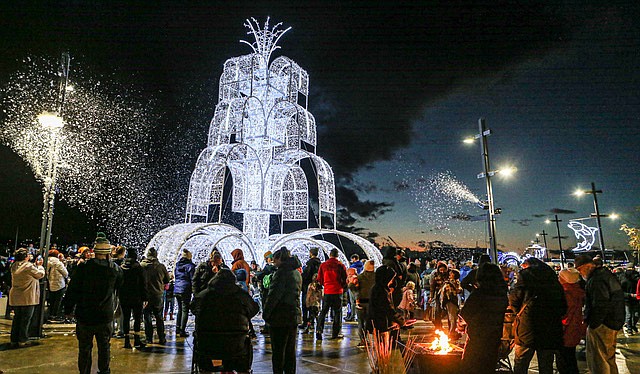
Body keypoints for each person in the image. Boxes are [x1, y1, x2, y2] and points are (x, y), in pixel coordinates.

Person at [64, 233, 123, 374]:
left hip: (85, 315)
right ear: (108, 252)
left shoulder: (83, 268)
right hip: (105, 316)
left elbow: (73, 290)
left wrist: (68, 309)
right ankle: (104, 371)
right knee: (104, 347)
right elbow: (120, 289)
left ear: (95, 252)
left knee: (84, 348)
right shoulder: (115, 270)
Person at [191, 268, 259, 372]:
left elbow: (193, 308)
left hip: (207, 344)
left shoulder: (204, 295)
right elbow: (254, 309)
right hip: (236, 344)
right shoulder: (241, 295)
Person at [509, 257, 567, 374]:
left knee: (521, 362)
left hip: (528, 325)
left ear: (527, 266)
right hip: (550, 327)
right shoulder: (553, 280)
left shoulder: (524, 277)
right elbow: (563, 307)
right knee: (546, 364)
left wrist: (520, 314)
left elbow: (514, 300)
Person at [574, 254, 625, 374]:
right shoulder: (605, 275)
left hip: (603, 324)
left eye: (579, 269)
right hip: (613, 321)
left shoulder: (596, 280)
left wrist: (593, 324)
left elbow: (600, 304)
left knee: (599, 360)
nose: (580, 273)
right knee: (609, 357)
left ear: (587, 267)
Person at [459, 263, 508, 374]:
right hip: (494, 337)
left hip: (477, 337)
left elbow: (465, 313)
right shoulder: (502, 294)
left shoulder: (479, 293)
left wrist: (463, 324)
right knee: (488, 366)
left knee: (471, 366)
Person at [262, 247, 302, 374]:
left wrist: (266, 314)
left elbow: (274, 296)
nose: (274, 263)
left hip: (280, 317)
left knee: (278, 352)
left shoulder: (281, 273)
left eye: (274, 260)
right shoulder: (296, 273)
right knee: (290, 351)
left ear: (280, 259)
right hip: (293, 315)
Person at [9, 248, 45, 348]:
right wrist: (40, 266)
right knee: (25, 320)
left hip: (16, 296)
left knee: (17, 319)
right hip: (27, 297)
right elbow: (40, 274)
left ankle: (14, 340)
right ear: (26, 257)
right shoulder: (28, 266)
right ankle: (22, 340)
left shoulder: (14, 266)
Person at [555, 268, 586, 374]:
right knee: (570, 358)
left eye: (560, 277)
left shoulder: (566, 293)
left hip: (566, 331)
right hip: (575, 328)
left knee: (563, 360)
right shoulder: (577, 291)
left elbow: (566, 315)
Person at [367, 265, 405, 342]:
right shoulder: (380, 291)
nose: (392, 281)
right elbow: (387, 307)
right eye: (391, 278)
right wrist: (399, 320)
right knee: (382, 345)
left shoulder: (380, 289)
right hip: (380, 324)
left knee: (383, 346)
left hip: (381, 323)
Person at [316, 248, 347, 340]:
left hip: (327, 291)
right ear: (337, 255)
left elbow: (319, 278)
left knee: (324, 311)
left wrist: (325, 284)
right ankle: (335, 333)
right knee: (337, 313)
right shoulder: (340, 265)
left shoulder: (323, 265)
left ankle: (319, 330)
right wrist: (342, 286)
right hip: (337, 291)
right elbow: (344, 278)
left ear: (330, 255)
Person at [119, 247, 147, 349]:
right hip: (137, 297)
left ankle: (127, 341)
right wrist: (145, 298)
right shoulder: (139, 268)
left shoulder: (121, 267)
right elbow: (143, 284)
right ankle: (137, 340)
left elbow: (119, 283)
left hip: (124, 297)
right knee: (137, 318)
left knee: (126, 318)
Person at [141, 247, 170, 345]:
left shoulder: (142, 265)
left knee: (147, 316)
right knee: (159, 317)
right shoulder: (161, 266)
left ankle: (149, 338)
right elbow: (167, 280)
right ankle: (162, 338)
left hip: (146, 296)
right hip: (158, 295)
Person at [174, 248, 195, 337]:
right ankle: (182, 330)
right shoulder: (190, 266)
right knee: (185, 310)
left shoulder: (177, 266)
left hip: (177, 289)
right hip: (185, 290)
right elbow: (192, 279)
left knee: (180, 309)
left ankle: (177, 328)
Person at [300, 247, 322, 330]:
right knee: (314, 305)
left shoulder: (310, 263)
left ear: (311, 253)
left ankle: (306, 322)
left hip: (308, 287)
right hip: (316, 286)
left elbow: (306, 275)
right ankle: (311, 322)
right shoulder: (320, 264)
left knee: (306, 304)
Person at [47, 249, 68, 321]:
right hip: (59, 284)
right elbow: (65, 273)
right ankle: (56, 315)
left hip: (50, 283)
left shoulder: (46, 261)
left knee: (52, 300)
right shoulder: (58, 263)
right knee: (58, 301)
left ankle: (50, 314)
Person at [619, 263, 639, 334]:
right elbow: (620, 290)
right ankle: (629, 328)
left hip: (636, 298)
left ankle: (633, 325)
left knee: (636, 315)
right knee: (629, 315)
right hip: (627, 299)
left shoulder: (637, 277)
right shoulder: (622, 277)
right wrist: (629, 295)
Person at [441, 268, 462, 337]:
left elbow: (457, 290)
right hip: (449, 300)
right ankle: (452, 331)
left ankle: (452, 332)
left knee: (452, 317)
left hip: (451, 300)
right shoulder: (449, 282)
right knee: (451, 317)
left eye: (451, 273)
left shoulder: (454, 282)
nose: (450, 274)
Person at [429, 261, 449, 329]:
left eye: (444, 270)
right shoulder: (434, 274)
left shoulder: (450, 273)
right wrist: (431, 296)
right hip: (438, 295)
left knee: (447, 311)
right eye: (441, 270)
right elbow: (432, 286)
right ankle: (438, 327)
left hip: (448, 295)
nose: (442, 272)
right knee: (437, 311)